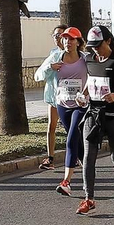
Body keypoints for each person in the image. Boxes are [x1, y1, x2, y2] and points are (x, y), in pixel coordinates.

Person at [76, 25, 114, 215]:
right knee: (88, 157)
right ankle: (89, 198)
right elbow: (91, 81)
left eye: (98, 45)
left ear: (108, 41)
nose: (95, 49)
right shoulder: (89, 60)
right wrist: (83, 95)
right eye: (92, 46)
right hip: (93, 114)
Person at [47, 27, 89, 197]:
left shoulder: (85, 59)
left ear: (78, 42)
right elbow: (39, 74)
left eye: (71, 39)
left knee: (71, 137)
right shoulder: (56, 57)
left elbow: (96, 76)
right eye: (65, 39)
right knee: (78, 145)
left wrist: (85, 94)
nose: (67, 42)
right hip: (63, 105)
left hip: (80, 105)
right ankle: (88, 172)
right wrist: (50, 67)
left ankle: (66, 182)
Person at [33, 25, 70, 170]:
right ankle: (50, 158)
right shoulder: (53, 54)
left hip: (71, 98)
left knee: (71, 128)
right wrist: (51, 67)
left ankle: (75, 155)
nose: (57, 38)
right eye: (55, 35)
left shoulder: (76, 55)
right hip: (55, 97)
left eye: (60, 35)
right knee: (51, 127)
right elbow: (39, 74)